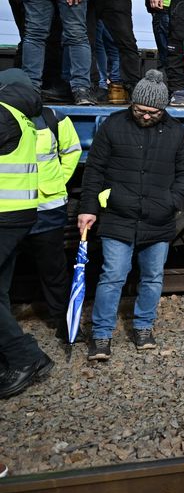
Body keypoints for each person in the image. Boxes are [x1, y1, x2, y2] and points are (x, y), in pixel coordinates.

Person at [79, 70, 184, 360]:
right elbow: (94, 170)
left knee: (153, 277)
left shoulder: (177, 132)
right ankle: (102, 335)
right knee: (112, 276)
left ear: (163, 109)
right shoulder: (113, 125)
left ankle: (144, 328)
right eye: (139, 110)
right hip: (119, 216)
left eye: (152, 112)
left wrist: (171, 201)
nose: (144, 116)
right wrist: (88, 209)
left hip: (159, 218)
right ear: (132, 104)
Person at [0, 69, 54, 399]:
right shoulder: (23, 116)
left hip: (4, 214)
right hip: (16, 213)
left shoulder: (3, 114)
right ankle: (16, 356)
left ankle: (26, 358)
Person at [20, 97, 81, 341]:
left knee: (53, 268)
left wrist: (57, 182)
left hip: (47, 207)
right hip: (12, 210)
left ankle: (64, 322)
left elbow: (71, 151)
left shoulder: (53, 118)